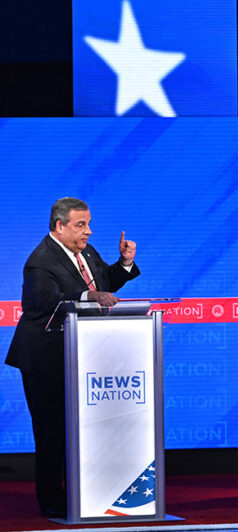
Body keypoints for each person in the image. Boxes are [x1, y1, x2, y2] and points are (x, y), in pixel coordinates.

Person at [5, 197, 140, 517]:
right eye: (81, 225)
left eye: (89, 224)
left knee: (82, 430)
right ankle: (52, 503)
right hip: (45, 359)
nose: (89, 232)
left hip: (82, 354)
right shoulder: (40, 261)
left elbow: (102, 283)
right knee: (52, 432)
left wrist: (123, 264)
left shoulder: (85, 252)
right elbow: (42, 303)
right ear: (59, 227)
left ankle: (86, 493)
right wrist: (87, 296)